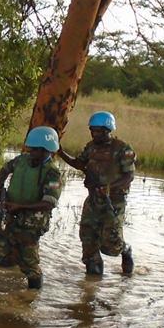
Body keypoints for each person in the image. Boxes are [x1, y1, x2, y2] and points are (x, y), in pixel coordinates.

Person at [0, 126, 63, 290]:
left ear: (47, 151)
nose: (31, 153)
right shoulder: (21, 160)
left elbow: (49, 202)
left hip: (30, 226)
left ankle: (31, 301)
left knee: (30, 265)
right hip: (6, 217)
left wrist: (20, 207)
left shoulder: (52, 173)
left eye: (36, 150)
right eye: (31, 149)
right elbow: (5, 168)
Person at [58, 111, 136, 276]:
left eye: (99, 131)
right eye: (92, 130)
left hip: (113, 200)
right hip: (93, 198)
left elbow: (129, 176)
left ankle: (125, 250)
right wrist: (60, 152)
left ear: (108, 130)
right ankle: (92, 281)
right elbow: (79, 163)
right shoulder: (91, 147)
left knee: (111, 242)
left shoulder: (122, 148)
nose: (95, 134)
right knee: (88, 238)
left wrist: (110, 187)